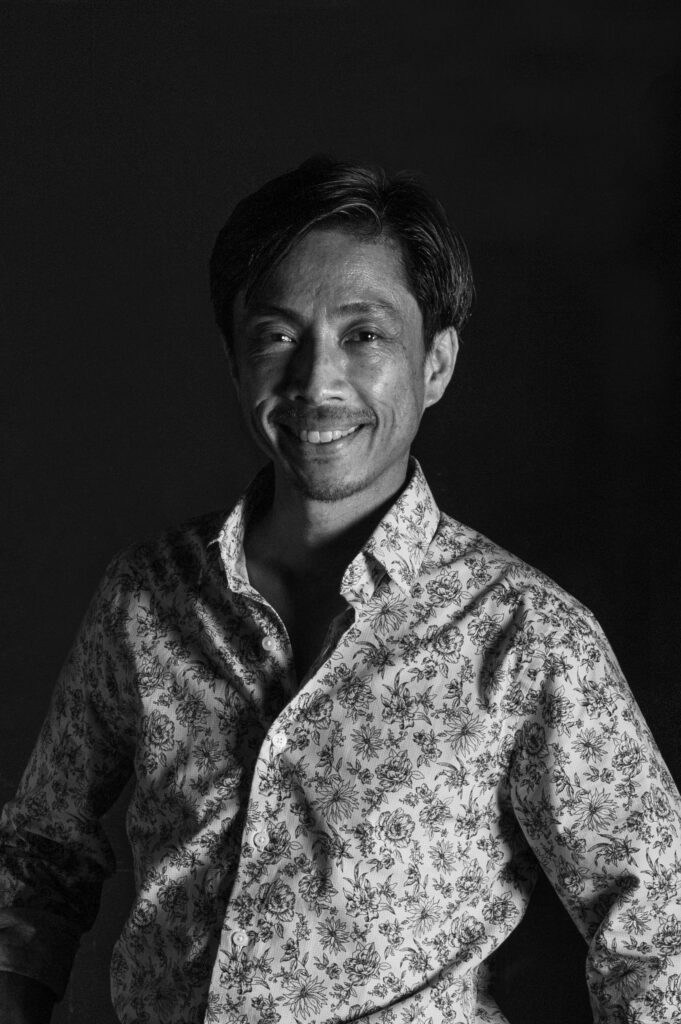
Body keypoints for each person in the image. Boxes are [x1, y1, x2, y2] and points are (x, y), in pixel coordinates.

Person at [1, 156, 680, 1024]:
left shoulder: (526, 636)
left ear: (435, 364)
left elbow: (658, 930)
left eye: (364, 335)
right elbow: (40, 854)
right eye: (277, 336)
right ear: (234, 360)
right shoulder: (145, 596)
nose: (316, 384)